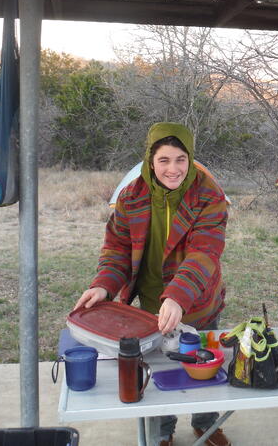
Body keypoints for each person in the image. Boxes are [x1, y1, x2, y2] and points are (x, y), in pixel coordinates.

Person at [74, 122, 230, 446]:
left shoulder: (209, 194)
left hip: (198, 301)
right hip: (148, 306)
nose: (172, 169)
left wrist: (177, 296)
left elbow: (205, 251)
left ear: (190, 160)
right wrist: (103, 285)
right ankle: (162, 432)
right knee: (157, 372)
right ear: (150, 160)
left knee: (203, 366)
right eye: (164, 160)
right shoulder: (132, 195)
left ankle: (206, 425)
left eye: (180, 160)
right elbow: (116, 248)